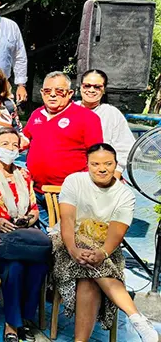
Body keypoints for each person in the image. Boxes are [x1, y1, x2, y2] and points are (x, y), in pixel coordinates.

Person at [51, 143, 158, 342]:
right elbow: (68, 219)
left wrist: (102, 253)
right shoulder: (74, 181)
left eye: (108, 164)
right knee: (86, 258)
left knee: (88, 277)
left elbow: (117, 231)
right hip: (68, 242)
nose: (102, 169)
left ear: (116, 164)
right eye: (95, 164)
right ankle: (138, 319)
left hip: (106, 248)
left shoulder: (124, 194)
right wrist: (73, 249)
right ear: (87, 164)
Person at [0, 128, 47, 342]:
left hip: (21, 233)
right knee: (14, 266)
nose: (11, 149)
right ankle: (12, 324)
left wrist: (27, 220)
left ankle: (25, 318)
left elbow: (34, 209)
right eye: (5, 144)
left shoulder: (24, 174)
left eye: (15, 145)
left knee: (39, 264)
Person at [23, 71, 103, 219]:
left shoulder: (87, 118)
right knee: (41, 232)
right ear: (42, 93)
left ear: (70, 93)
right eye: (47, 91)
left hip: (67, 193)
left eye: (59, 91)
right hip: (36, 192)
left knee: (67, 232)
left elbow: (97, 156)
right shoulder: (36, 114)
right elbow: (24, 140)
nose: (52, 95)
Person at [76, 69, 135, 177]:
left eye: (97, 87)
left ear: (104, 90)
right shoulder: (68, 110)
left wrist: (115, 174)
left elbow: (126, 148)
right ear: (80, 87)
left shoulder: (111, 114)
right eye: (87, 86)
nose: (91, 90)